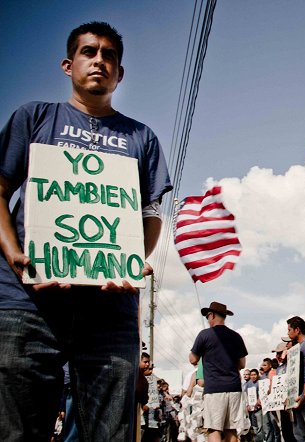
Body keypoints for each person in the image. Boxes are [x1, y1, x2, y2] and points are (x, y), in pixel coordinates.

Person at [0, 21, 172, 440]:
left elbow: (151, 214)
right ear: (68, 64)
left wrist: (133, 261)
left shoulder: (141, 138)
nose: (99, 61)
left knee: (110, 433)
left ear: (120, 73)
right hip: (28, 303)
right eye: (89, 52)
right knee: (17, 431)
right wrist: (12, 252)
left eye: (109, 55)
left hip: (108, 312)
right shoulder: (34, 117)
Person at [190, 302, 248, 442]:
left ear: (212, 315)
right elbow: (242, 364)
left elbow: (193, 359)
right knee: (231, 429)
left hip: (214, 389)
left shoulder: (204, 335)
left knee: (213, 429)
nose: (208, 320)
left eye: (208, 316)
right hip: (234, 387)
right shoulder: (236, 336)